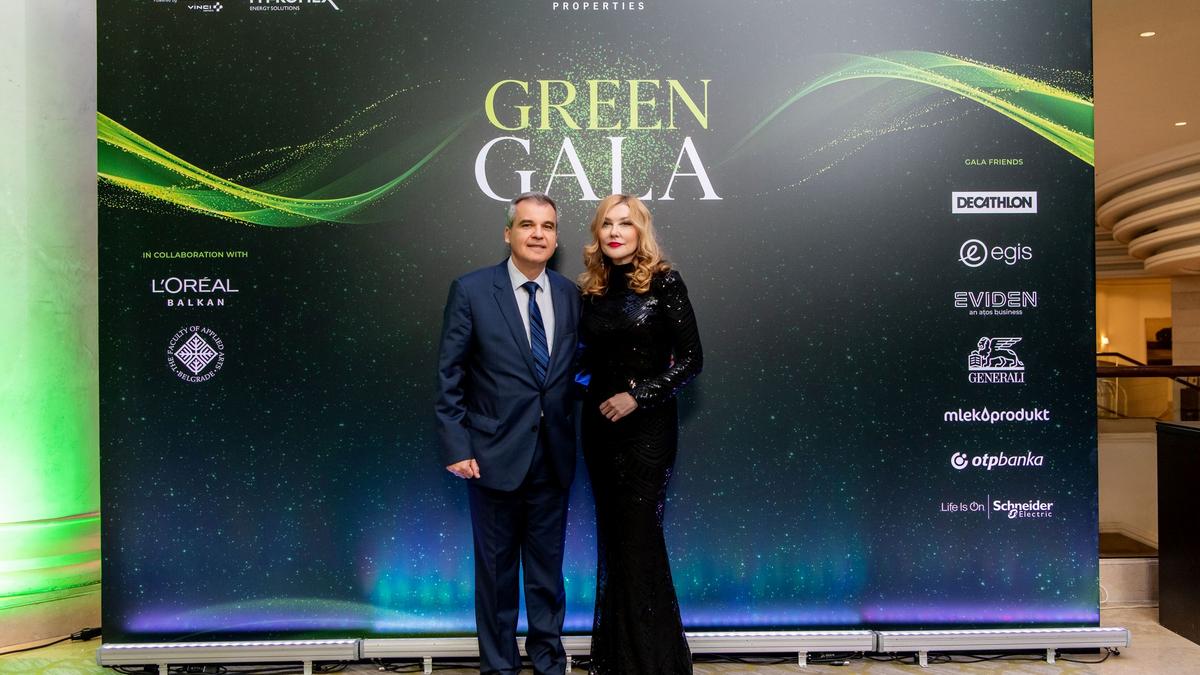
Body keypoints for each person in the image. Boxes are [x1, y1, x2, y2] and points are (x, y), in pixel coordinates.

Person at [435, 191, 581, 675]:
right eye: (527, 225)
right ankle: (499, 668)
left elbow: (572, 372)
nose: (538, 234)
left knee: (547, 576)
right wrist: (457, 445)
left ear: (556, 238)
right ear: (508, 233)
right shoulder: (472, 290)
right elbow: (450, 375)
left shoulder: (569, 294)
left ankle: (548, 664)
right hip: (491, 457)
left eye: (548, 226)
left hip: (553, 457)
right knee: (496, 576)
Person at [576, 194, 702, 674]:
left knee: (639, 540)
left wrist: (638, 395)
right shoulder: (591, 290)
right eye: (607, 223)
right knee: (614, 541)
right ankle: (617, 660)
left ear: (640, 230)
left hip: (647, 431)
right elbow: (582, 363)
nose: (615, 232)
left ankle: (653, 664)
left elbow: (692, 360)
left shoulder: (664, 281)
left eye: (625, 223)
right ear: (598, 232)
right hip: (599, 430)